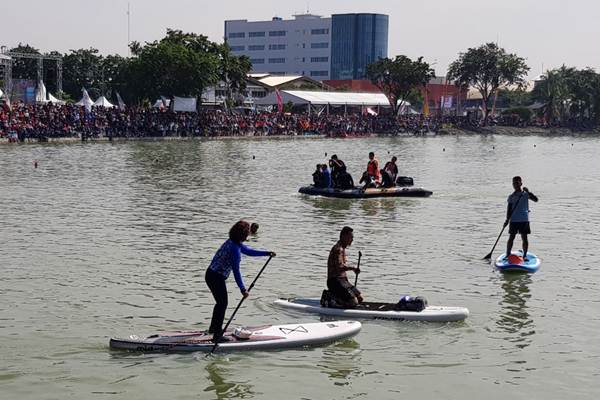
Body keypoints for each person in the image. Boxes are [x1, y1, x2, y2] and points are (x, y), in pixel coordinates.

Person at [205, 220, 275, 343]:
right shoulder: (235, 249)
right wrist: (243, 289)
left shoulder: (233, 242)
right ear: (243, 234)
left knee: (220, 303)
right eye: (247, 233)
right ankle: (217, 335)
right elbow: (236, 271)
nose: (249, 235)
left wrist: (266, 253)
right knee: (222, 304)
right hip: (215, 277)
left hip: (210, 275)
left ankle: (213, 329)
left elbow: (249, 251)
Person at [504, 176, 539, 261]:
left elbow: (536, 200)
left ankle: (525, 255)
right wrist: (507, 220)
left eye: (517, 183)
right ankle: (508, 254)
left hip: (524, 220)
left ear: (521, 183)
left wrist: (529, 192)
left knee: (524, 238)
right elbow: (509, 209)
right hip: (514, 220)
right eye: (513, 183)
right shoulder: (511, 196)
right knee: (511, 237)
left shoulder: (526, 194)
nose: (515, 185)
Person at [327, 226, 363, 308]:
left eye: (352, 237)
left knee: (360, 298)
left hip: (342, 281)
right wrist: (353, 268)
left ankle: (339, 298)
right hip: (334, 282)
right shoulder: (338, 249)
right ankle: (331, 299)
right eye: (350, 237)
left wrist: (348, 283)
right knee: (353, 302)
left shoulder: (342, 248)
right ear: (343, 236)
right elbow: (339, 267)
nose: (352, 240)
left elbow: (342, 271)